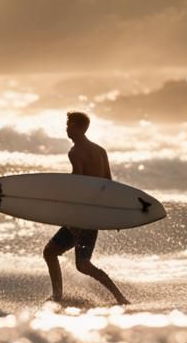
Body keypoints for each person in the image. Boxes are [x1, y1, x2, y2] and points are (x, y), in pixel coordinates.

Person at [43, 112, 129, 305]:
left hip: (81, 215)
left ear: (80, 128)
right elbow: (108, 183)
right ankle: (119, 297)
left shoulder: (75, 152)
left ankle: (57, 296)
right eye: (67, 124)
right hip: (94, 214)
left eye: (70, 125)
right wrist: (115, 215)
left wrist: (68, 212)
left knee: (50, 253)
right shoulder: (100, 151)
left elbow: (79, 186)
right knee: (83, 264)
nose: (67, 128)